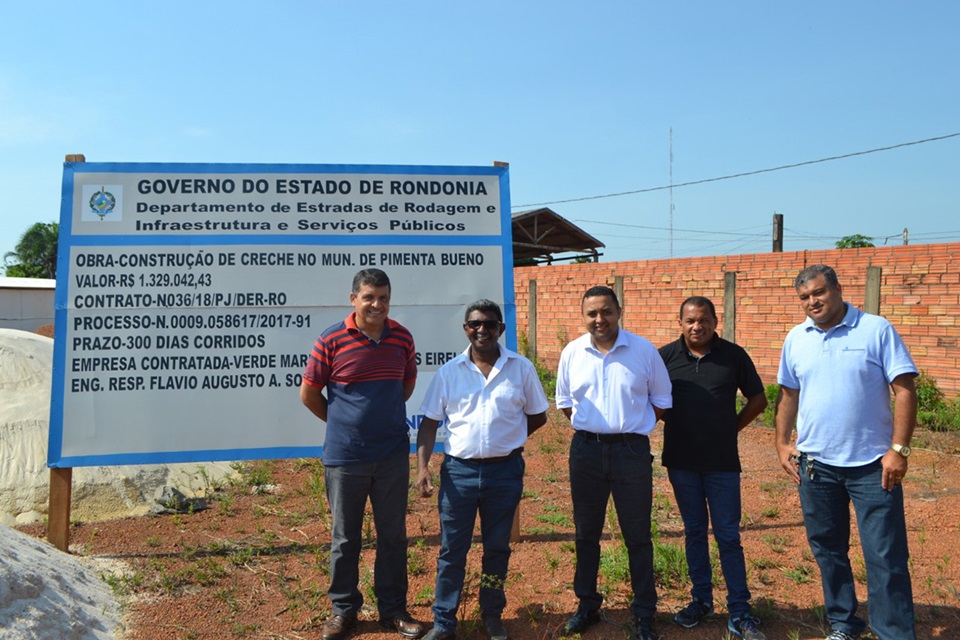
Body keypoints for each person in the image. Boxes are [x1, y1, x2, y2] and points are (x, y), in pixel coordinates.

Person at [775, 265, 918, 640]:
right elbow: (789, 394)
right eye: (804, 297)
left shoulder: (876, 329)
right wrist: (781, 442)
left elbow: (904, 388)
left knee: (885, 556)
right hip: (816, 466)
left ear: (838, 289)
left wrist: (898, 450)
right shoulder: (796, 337)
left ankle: (894, 632)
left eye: (819, 293)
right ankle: (843, 622)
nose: (812, 302)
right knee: (827, 549)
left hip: (873, 466)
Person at [300, 268, 425, 640]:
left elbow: (407, 384)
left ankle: (393, 610)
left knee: (393, 536)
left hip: (390, 455)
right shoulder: (331, 339)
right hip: (345, 457)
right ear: (353, 298)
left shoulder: (401, 337)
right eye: (369, 297)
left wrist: (379, 421)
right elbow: (309, 394)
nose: (377, 304)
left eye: (383, 298)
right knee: (344, 538)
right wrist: (343, 423)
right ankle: (343, 611)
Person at [416, 300, 549, 640]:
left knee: (497, 547)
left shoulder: (521, 368)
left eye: (490, 324)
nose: (482, 330)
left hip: (504, 473)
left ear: (500, 329)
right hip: (458, 474)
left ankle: (491, 614)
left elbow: (537, 416)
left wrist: (509, 440)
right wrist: (423, 467)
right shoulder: (449, 372)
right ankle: (444, 621)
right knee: (452, 550)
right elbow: (430, 423)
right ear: (466, 328)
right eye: (475, 324)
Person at [555, 285, 672, 640]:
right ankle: (587, 604)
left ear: (618, 311)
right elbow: (564, 402)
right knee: (585, 532)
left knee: (637, 535)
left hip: (631, 453)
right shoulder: (572, 352)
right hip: (586, 451)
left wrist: (631, 428)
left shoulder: (643, 350)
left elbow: (662, 398)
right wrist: (596, 431)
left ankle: (644, 613)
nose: (599, 319)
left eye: (605, 311)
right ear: (584, 316)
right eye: (591, 313)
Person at [658, 296, 768, 640]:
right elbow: (650, 399)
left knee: (728, 536)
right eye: (690, 320)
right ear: (680, 323)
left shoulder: (733, 356)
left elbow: (759, 399)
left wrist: (730, 428)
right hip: (681, 462)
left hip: (722, 464)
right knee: (694, 532)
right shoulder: (664, 358)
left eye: (703, 319)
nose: (697, 326)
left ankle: (739, 611)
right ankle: (701, 600)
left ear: (715, 321)